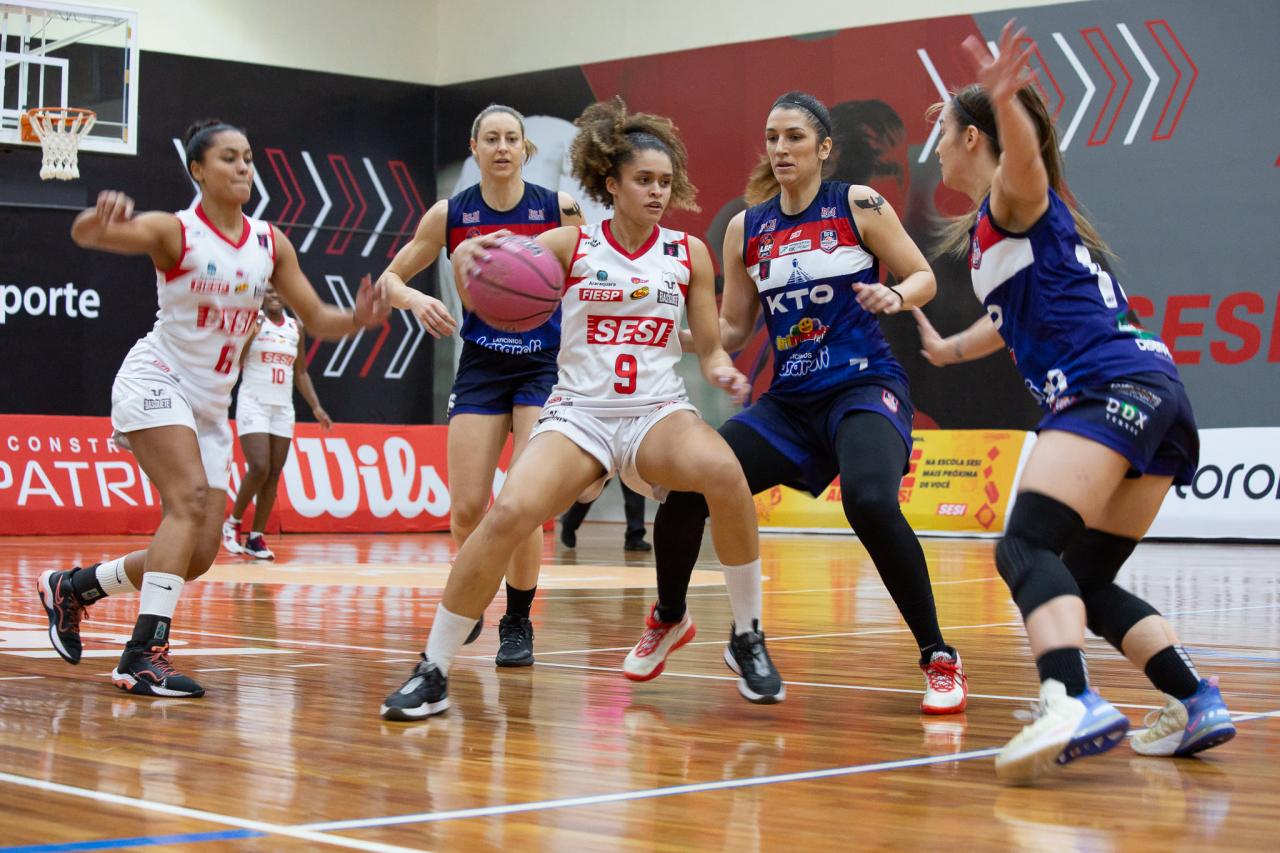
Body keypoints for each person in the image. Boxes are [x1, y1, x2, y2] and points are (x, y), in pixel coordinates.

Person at [381, 97, 784, 721]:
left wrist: (722, 369)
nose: (656, 192)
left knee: (726, 474)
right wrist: (467, 261)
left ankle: (747, 634)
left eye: (664, 182)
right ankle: (433, 668)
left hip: (655, 412)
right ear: (611, 184)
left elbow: (709, 350)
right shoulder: (569, 243)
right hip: (579, 415)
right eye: (643, 181)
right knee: (507, 510)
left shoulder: (689, 254)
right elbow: (491, 266)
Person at [913, 21, 1234, 783]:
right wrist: (946, 348)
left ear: (972, 139)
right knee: (1082, 581)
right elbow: (1008, 324)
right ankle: (1195, 701)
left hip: (1104, 388)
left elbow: (1021, 161)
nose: (938, 143)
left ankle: (1071, 696)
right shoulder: (1000, 239)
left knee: (1023, 547)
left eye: (948, 131)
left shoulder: (1016, 196)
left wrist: (1003, 100)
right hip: (1158, 398)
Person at [36, 119, 389, 698]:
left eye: (248, 157)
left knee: (196, 555)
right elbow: (85, 235)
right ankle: (143, 654)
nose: (244, 167)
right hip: (158, 376)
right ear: (198, 170)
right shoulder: (175, 232)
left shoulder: (270, 242)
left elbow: (321, 318)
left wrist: (359, 319)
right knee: (189, 501)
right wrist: (96, 218)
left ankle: (75, 588)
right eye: (230, 158)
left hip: (209, 406)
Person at [652, 91, 970, 716]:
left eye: (794, 137)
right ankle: (669, 616)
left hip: (862, 387)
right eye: (772, 137)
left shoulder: (858, 204)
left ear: (824, 148)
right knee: (692, 485)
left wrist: (896, 297)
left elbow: (922, 275)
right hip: (789, 404)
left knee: (871, 501)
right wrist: (669, 332)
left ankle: (938, 657)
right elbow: (735, 331)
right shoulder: (748, 227)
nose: (780, 149)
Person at [377, 104, 586, 667]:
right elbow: (390, 278)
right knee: (468, 507)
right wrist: (418, 298)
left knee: (522, 503)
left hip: (543, 364)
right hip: (482, 363)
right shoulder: (450, 215)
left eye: (511, 139)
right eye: (490, 138)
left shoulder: (557, 208)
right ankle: (470, 602)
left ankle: (517, 621)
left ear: (525, 150)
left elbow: (599, 274)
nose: (501, 147)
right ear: (475, 148)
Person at [221, 285, 331, 559]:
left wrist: (316, 406)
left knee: (273, 473)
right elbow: (236, 359)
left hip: (282, 407)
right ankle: (232, 523)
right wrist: (250, 334)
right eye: (268, 291)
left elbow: (301, 372)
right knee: (259, 466)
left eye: (278, 291)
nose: (273, 295)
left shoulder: (296, 327)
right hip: (253, 403)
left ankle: (255, 537)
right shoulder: (253, 322)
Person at [559, 478, 651, 551]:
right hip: (607, 453)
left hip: (629, 454)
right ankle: (570, 521)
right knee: (597, 484)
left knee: (634, 484)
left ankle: (635, 536)